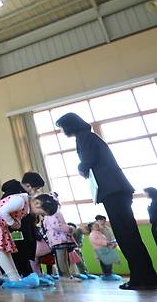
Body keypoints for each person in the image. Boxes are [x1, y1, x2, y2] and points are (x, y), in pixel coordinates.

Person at [56, 113, 157, 290]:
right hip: (116, 190)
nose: (63, 131)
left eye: (63, 127)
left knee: (126, 237)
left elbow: (88, 161)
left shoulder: (85, 137)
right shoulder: (88, 136)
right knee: (129, 236)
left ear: (70, 125)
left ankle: (143, 279)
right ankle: (145, 277)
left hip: (113, 191)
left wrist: (81, 168)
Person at [0, 192, 59, 288]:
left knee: (5, 252)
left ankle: (15, 277)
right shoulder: (20, 201)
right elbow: (2, 211)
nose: (40, 215)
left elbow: (12, 214)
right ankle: (13, 278)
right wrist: (11, 223)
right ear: (37, 204)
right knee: (1, 251)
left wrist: (17, 222)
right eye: (42, 213)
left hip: (0, 226)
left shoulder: (24, 205)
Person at [42, 195, 80, 282]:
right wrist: (69, 228)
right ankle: (65, 276)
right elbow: (57, 225)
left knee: (64, 258)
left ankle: (67, 275)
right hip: (58, 239)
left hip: (58, 239)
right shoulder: (53, 213)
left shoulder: (50, 214)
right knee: (62, 259)